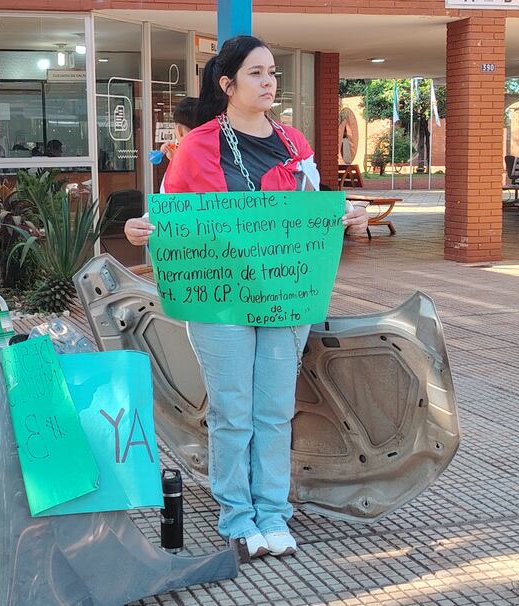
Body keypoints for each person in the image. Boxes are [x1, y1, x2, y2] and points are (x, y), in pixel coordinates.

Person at [124, 35, 367, 561]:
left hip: (282, 295)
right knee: (233, 411)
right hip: (219, 300)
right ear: (227, 84)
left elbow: (312, 213)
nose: (269, 82)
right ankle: (237, 515)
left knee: (276, 410)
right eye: (256, 74)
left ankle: (274, 512)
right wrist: (140, 229)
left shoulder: (295, 144)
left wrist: (348, 216)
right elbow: (169, 215)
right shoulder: (198, 146)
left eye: (273, 72)